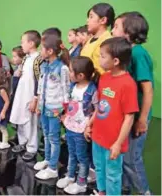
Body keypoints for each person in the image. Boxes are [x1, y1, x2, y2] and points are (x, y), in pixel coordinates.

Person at [84, 37, 138, 195]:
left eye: (102, 55)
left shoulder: (128, 84)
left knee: (113, 175)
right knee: (99, 168)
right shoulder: (104, 77)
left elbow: (129, 117)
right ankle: (101, 192)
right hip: (98, 136)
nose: (99, 58)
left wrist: (118, 143)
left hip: (113, 141)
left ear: (115, 60)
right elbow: (100, 105)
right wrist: (90, 124)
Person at [112, 12, 153, 195]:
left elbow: (147, 89)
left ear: (128, 32)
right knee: (123, 155)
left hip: (137, 117)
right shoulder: (128, 53)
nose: (112, 31)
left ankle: (145, 192)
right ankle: (124, 188)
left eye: (116, 27)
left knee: (131, 159)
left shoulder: (138, 53)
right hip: (127, 116)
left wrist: (142, 119)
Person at [56, 56, 99, 194]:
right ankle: (70, 176)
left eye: (70, 71)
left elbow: (97, 110)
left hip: (81, 129)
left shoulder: (92, 90)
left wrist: (89, 126)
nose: (69, 74)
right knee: (72, 153)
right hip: (70, 126)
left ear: (80, 75)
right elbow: (70, 105)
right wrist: (64, 115)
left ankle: (81, 182)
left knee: (82, 156)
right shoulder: (73, 86)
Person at [33, 33, 70, 180]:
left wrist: (65, 111)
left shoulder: (62, 68)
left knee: (54, 138)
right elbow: (41, 86)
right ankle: (47, 160)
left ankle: (53, 168)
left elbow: (66, 90)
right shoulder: (44, 66)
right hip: (43, 107)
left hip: (55, 108)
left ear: (50, 51)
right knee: (46, 136)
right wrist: (38, 103)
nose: (40, 51)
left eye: (42, 48)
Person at [10, 30, 42, 161]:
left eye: (23, 42)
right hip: (21, 93)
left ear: (31, 43)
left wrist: (36, 98)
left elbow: (38, 79)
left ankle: (32, 147)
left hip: (31, 95)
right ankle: (22, 142)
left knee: (31, 121)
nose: (21, 44)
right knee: (20, 117)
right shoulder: (26, 58)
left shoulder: (38, 59)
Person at [81, 3, 115, 74]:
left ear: (103, 20)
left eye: (91, 17)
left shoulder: (108, 41)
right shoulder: (91, 39)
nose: (87, 20)